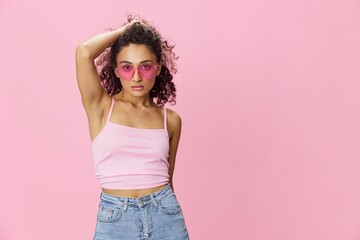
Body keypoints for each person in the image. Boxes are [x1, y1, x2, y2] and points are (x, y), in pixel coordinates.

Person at [75, 15, 190, 240]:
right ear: (116, 70)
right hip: (115, 219)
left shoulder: (171, 120)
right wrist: (127, 30)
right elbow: (83, 52)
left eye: (145, 66)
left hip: (165, 213)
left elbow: (168, 179)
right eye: (127, 67)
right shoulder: (101, 107)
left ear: (158, 68)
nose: (136, 77)